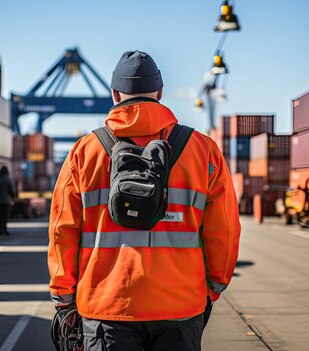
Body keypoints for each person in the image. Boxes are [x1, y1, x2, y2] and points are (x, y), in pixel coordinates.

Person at [48, 50, 241, 350]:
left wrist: (63, 297)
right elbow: (225, 231)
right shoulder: (204, 151)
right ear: (160, 93)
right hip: (180, 306)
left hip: (106, 308)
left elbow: (63, 231)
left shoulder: (83, 154)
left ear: (114, 94)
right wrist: (211, 289)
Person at [0, 166, 14, 236]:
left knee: (0, 215)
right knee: (5, 216)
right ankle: (4, 229)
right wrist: (13, 197)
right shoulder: (8, 180)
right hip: (6, 201)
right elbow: (11, 190)